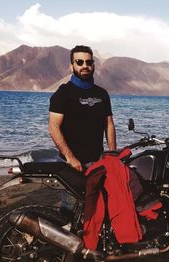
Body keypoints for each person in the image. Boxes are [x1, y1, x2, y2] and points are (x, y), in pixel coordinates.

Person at [49, 45, 116, 214]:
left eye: (89, 62)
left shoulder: (102, 94)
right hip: (71, 163)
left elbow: (109, 124)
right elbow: (53, 127)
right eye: (79, 62)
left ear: (93, 65)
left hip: (97, 160)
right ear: (72, 66)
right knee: (70, 207)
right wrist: (70, 158)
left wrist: (113, 154)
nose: (84, 65)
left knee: (96, 204)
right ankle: (61, 239)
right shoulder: (63, 93)